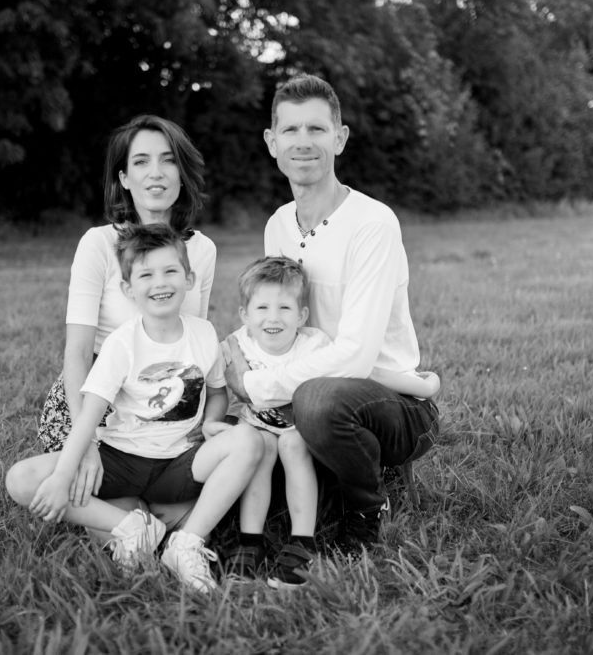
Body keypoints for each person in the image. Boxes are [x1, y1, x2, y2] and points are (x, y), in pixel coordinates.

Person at [224, 73, 442, 554]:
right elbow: (275, 321)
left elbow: (357, 357)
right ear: (271, 142)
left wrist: (258, 386)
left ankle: (368, 507)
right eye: (291, 130)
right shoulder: (278, 224)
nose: (303, 142)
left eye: (317, 129)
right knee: (255, 444)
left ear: (339, 139)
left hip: (392, 402)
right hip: (301, 388)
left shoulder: (372, 223)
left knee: (319, 402)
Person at [6, 224, 264, 593]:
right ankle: (132, 529)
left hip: (179, 463)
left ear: (189, 278)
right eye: (146, 274)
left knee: (248, 441)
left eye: (170, 271)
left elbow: (218, 393)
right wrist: (64, 474)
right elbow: (90, 414)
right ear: (129, 289)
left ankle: (186, 543)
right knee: (22, 479)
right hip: (121, 459)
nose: (160, 282)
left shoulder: (203, 333)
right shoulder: (121, 343)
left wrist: (210, 421)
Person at [36, 114, 216, 535]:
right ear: (124, 177)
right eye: (141, 162)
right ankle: (136, 521)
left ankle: (146, 515)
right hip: (95, 395)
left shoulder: (202, 251)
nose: (156, 173)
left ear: (182, 172)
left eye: (168, 161)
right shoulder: (98, 243)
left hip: (160, 395)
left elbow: (191, 349)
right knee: (82, 483)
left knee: (177, 495)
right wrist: (89, 444)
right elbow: (78, 353)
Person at [220, 256, 330, 587]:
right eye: (262, 308)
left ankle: (301, 542)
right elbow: (222, 390)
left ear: (302, 315)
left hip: (300, 429)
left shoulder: (314, 345)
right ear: (245, 315)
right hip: (255, 425)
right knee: (261, 445)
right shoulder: (238, 345)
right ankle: (250, 540)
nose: (273, 318)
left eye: (284, 308)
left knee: (293, 444)